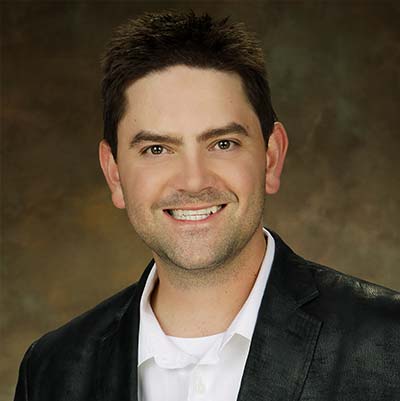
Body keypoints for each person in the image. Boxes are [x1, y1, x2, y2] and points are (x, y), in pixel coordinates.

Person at [14, 10, 399, 401]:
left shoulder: (390, 343)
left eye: (223, 144)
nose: (194, 181)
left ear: (271, 158)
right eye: (157, 149)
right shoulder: (51, 372)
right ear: (114, 174)